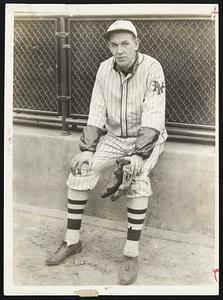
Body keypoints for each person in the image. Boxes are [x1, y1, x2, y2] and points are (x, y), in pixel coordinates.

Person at [46, 19, 168, 285]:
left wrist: (137, 156)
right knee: (80, 171)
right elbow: (96, 110)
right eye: (113, 45)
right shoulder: (104, 68)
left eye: (125, 43)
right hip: (113, 138)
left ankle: (130, 254)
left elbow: (155, 116)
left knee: (136, 180)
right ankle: (71, 241)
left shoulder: (152, 68)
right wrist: (88, 150)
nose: (119, 49)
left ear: (136, 43)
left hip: (145, 139)